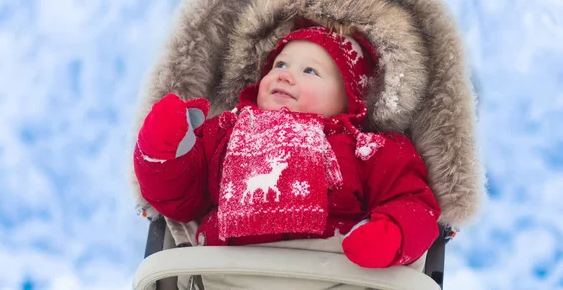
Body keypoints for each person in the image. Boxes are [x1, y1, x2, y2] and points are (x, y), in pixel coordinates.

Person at [133, 23, 441, 269]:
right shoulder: (227, 132)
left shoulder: (369, 149)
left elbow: (413, 202)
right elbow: (182, 199)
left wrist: (392, 235)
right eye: (280, 63)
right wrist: (163, 152)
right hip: (226, 275)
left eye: (310, 71)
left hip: (333, 275)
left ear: (350, 98)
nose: (285, 74)